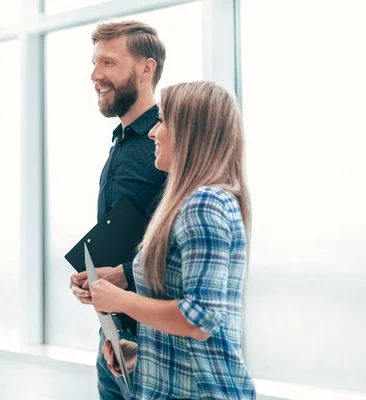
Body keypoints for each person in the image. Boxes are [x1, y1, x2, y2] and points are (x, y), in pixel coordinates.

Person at [91, 81, 256, 400]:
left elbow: (200, 318)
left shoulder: (204, 204)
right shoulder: (198, 203)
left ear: (190, 132)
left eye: (163, 120)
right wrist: (141, 355)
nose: (153, 132)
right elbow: (194, 340)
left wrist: (119, 301)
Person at [68, 21, 167, 400]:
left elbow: (177, 245)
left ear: (147, 68)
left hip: (153, 344)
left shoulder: (167, 146)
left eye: (108, 63)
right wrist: (91, 280)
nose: (95, 75)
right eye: (95, 63)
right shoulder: (121, 144)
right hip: (111, 336)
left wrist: (123, 275)